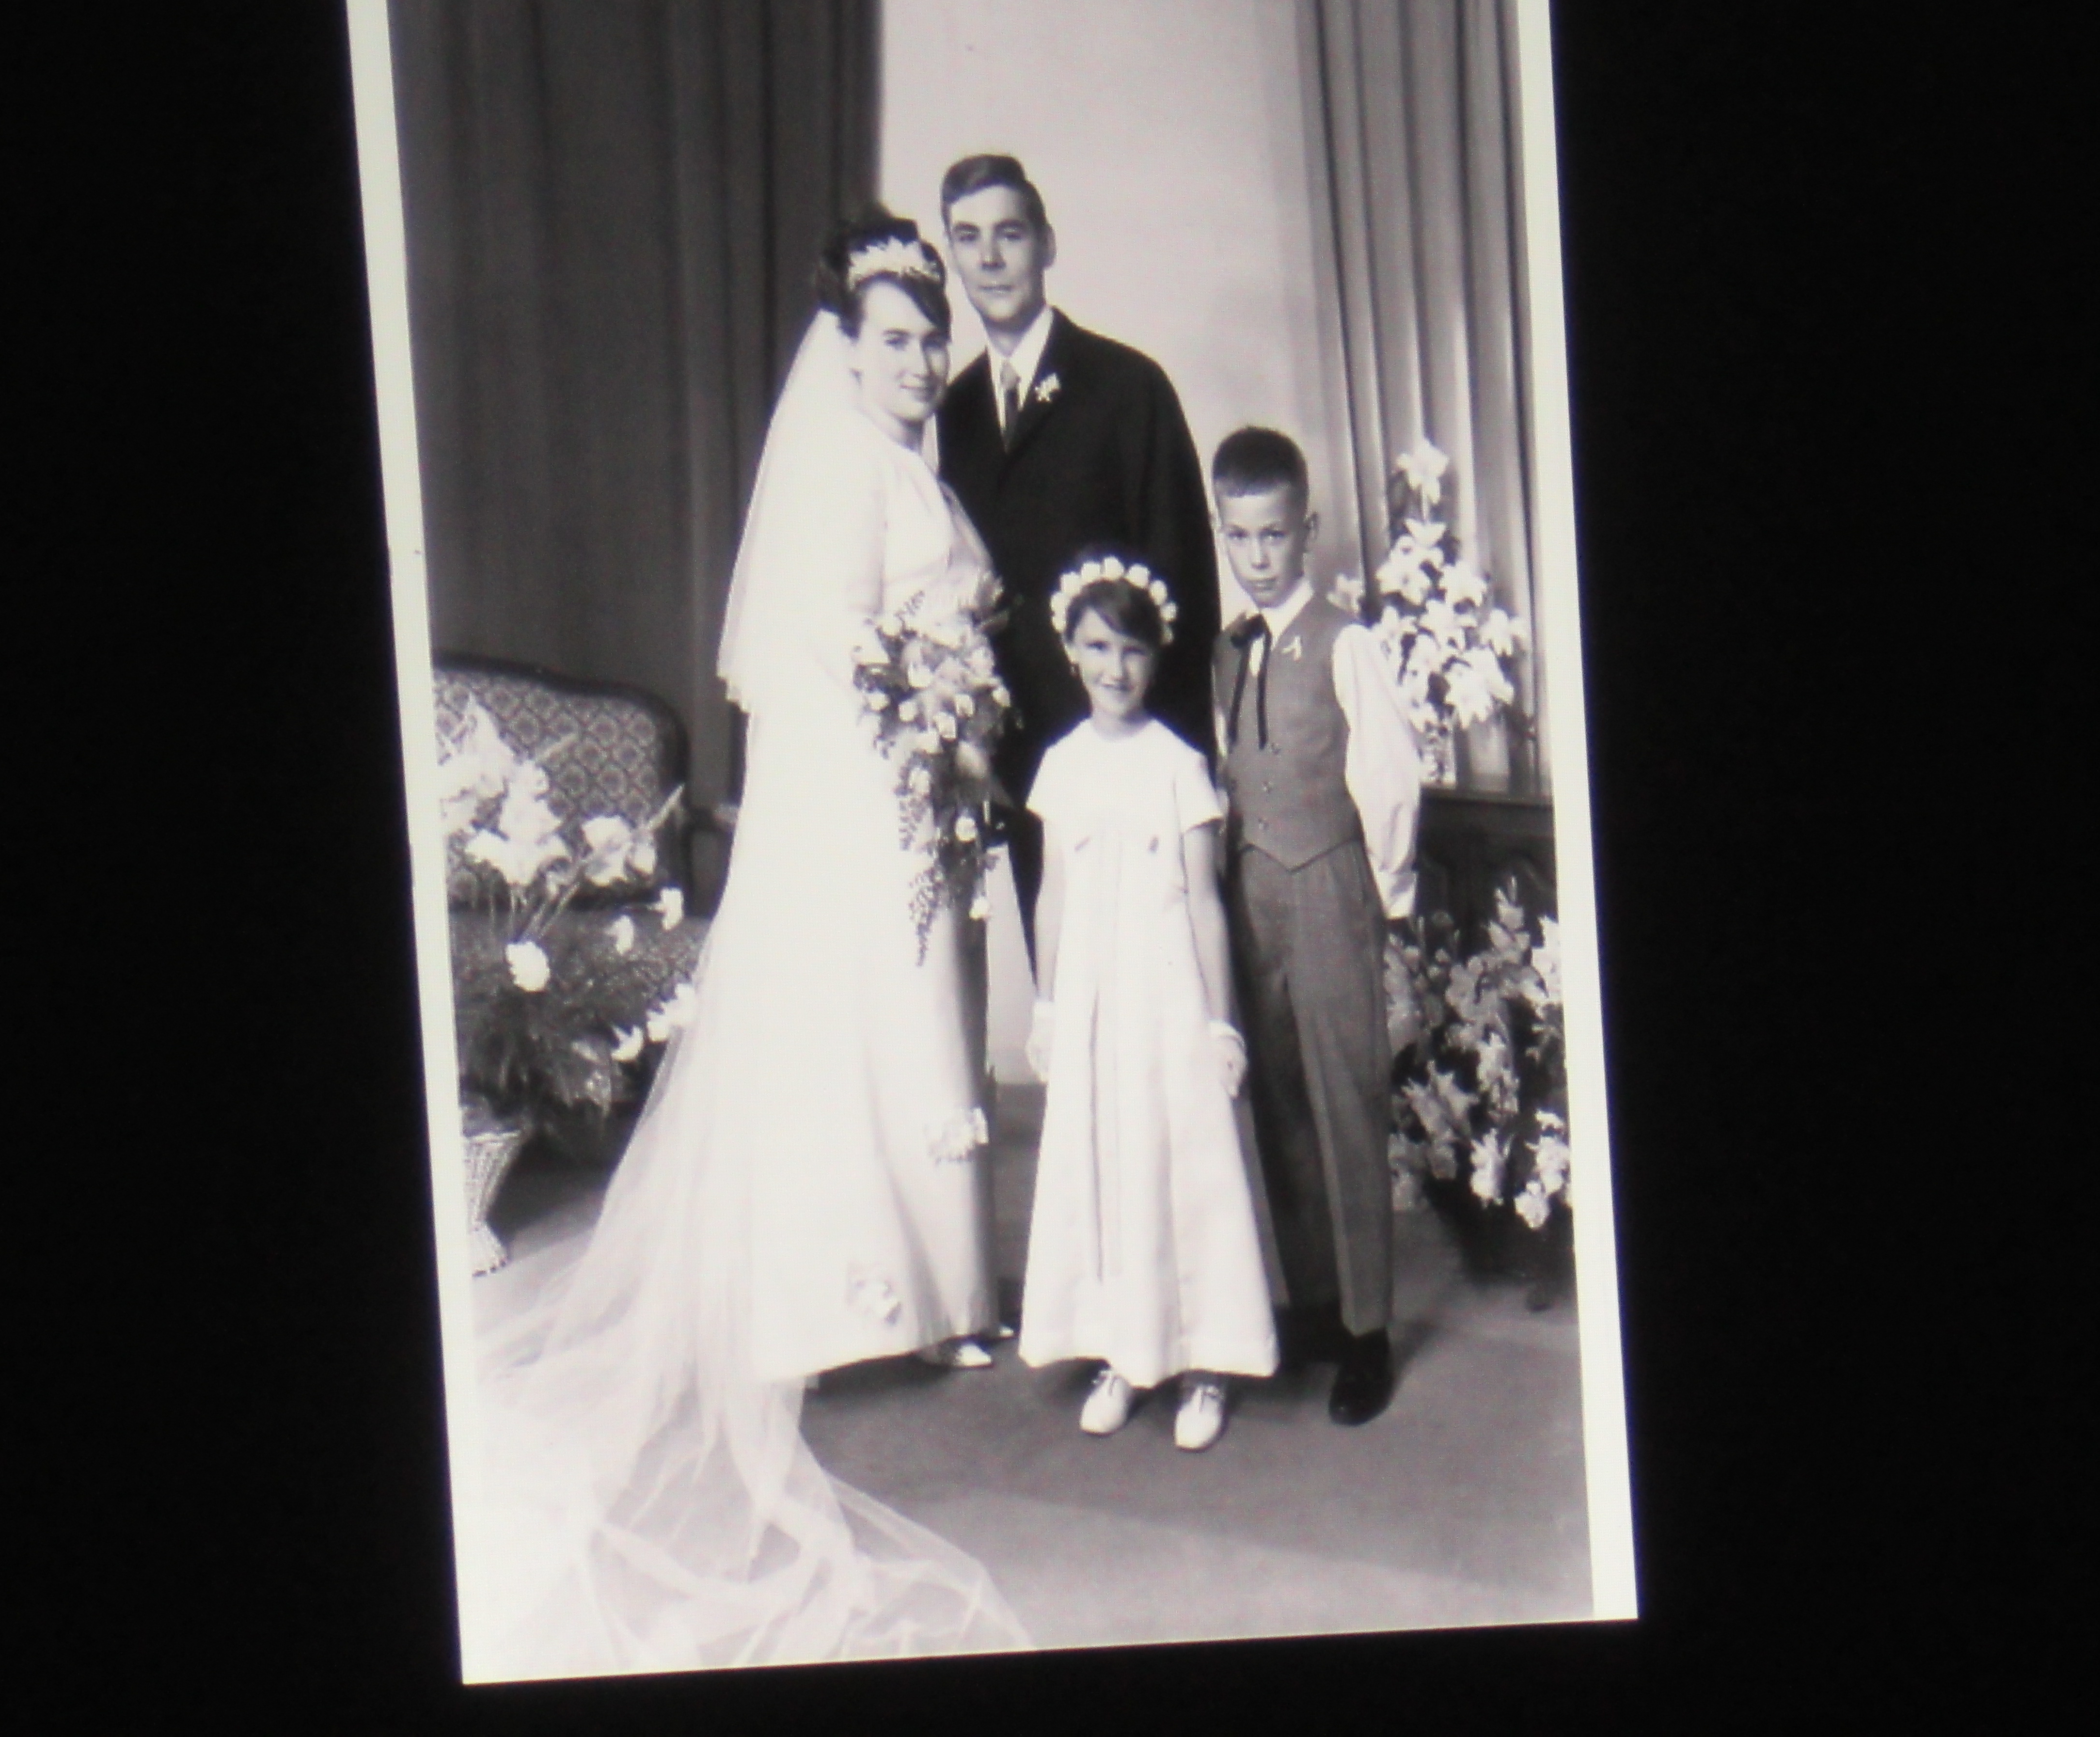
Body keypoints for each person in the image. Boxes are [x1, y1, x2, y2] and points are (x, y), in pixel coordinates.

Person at [452, 213, 1026, 1680]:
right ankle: (843, 1303)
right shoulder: (840, 468)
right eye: (896, 340)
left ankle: (942, 1298)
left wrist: (956, 726)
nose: (922, 360)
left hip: (916, 791)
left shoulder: (913, 465)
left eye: (933, 338)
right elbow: (839, 650)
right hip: (862, 794)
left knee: (924, 1027)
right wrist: (930, 730)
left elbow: (933, 626)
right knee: (858, 1027)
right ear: (848, 352)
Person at [1017, 553, 1279, 1452]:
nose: (1115, 668)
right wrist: (1047, 1005)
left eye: (1131, 650)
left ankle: (1205, 1360)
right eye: (1097, 647)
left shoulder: (1178, 763)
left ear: (1156, 656)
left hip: (1166, 996)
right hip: (1095, 1000)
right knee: (1108, 1165)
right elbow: (1053, 895)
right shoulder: (1062, 765)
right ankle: (1127, 1354)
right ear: (1072, 652)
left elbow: (1204, 901)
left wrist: (1219, 1022)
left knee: (1182, 1164)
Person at [932, 155, 1221, 940]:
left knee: (1162, 987)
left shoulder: (1128, 387)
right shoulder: (953, 413)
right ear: (952, 255)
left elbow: (1185, 591)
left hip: (1134, 759)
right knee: (1067, 991)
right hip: (1030, 771)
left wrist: (1178, 769)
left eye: (1010, 234)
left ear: (1047, 244)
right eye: (968, 238)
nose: (990, 258)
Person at [1206, 428, 1422, 1428]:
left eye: (1275, 534)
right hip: (1252, 892)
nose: (1258, 556)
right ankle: (1317, 1307)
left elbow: (1388, 776)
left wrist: (1390, 902)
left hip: (1331, 887)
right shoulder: (1225, 649)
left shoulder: (1347, 642)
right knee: (1282, 1106)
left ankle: (1368, 1331)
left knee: (1345, 1100)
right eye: (1240, 535)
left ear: (1308, 531)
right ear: (1222, 533)